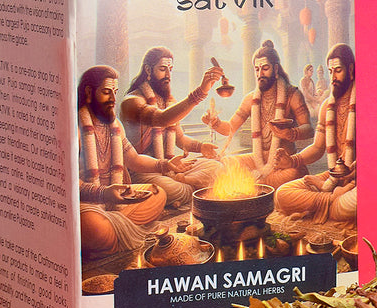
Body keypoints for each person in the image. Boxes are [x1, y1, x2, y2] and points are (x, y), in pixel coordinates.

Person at [78, 65, 195, 264]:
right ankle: (107, 232)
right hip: (88, 202)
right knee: (93, 227)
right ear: (89, 93)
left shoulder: (114, 126)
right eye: (106, 92)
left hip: (115, 197)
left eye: (115, 92)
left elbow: (134, 159)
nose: (113, 99)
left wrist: (165, 164)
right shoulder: (75, 127)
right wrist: (103, 193)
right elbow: (68, 185)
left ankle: (113, 228)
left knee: (157, 194)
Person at [120, 46, 224, 208]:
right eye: (162, 69)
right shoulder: (132, 102)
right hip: (142, 171)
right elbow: (161, 119)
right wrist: (200, 92)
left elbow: (180, 138)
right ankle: (192, 188)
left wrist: (201, 147)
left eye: (170, 69)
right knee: (173, 189)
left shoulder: (168, 101)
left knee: (217, 168)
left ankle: (186, 184)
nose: (168, 75)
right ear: (148, 69)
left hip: (170, 166)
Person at [202, 40, 312, 188]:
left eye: (265, 68)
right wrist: (215, 123)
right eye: (257, 69)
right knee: (226, 163)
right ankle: (258, 183)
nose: (260, 74)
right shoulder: (250, 99)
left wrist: (291, 133)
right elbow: (230, 128)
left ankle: (254, 183)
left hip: (283, 163)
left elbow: (308, 129)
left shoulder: (292, 94)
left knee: (293, 174)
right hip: (257, 160)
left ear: (275, 68)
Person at [273, 43, 356, 224]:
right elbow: (318, 148)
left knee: (352, 203)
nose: (333, 77)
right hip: (333, 177)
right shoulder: (327, 106)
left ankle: (331, 202)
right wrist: (292, 161)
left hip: (358, 179)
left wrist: (351, 181)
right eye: (330, 71)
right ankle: (331, 200)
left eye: (338, 71)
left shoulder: (365, 102)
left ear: (350, 70)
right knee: (282, 194)